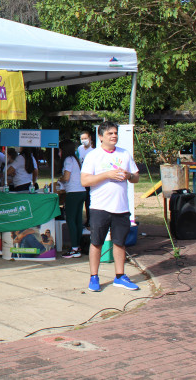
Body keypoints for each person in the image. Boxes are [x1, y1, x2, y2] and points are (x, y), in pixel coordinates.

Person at [81, 121, 140, 292]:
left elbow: (136, 177)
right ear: (100, 137)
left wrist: (128, 175)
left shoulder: (124, 154)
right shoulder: (93, 156)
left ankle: (120, 276)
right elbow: (85, 180)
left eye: (115, 133)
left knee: (119, 243)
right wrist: (107, 174)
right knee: (97, 242)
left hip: (121, 207)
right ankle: (94, 277)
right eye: (110, 134)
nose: (114, 136)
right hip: (100, 207)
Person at [57, 139, 86, 258]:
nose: (58, 153)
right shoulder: (75, 159)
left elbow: (67, 177)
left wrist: (60, 179)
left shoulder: (68, 160)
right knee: (78, 220)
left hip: (73, 193)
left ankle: (74, 248)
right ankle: (77, 246)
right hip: (81, 191)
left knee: (70, 220)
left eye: (59, 150)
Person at [78, 129, 95, 226]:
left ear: (89, 138)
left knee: (88, 201)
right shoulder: (80, 148)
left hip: (89, 178)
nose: (83, 140)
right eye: (82, 138)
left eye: (85, 138)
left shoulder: (93, 151)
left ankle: (90, 220)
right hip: (81, 177)